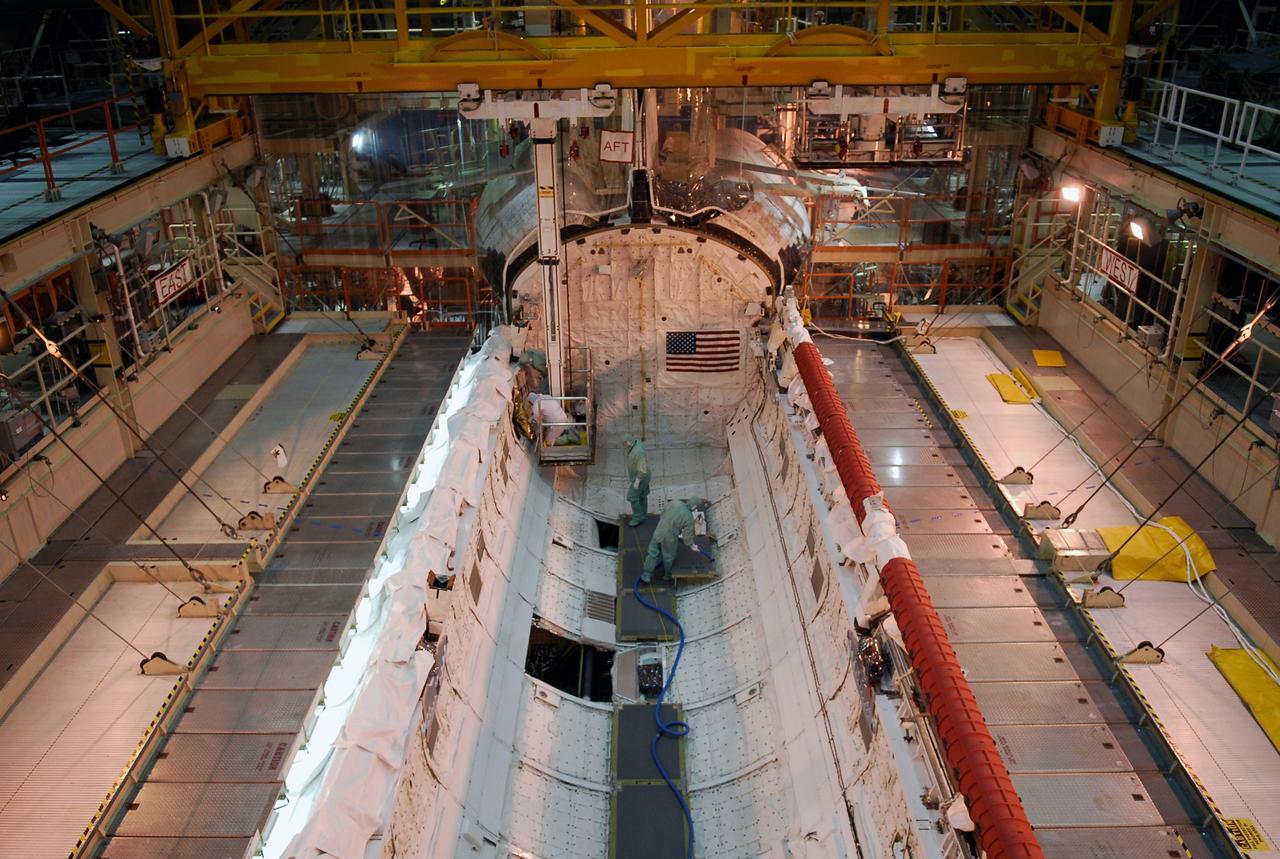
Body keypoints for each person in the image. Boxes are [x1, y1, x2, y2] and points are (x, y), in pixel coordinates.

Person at [641, 496, 706, 584]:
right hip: (670, 538)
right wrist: (692, 545)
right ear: (694, 507)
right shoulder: (689, 518)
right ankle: (667, 575)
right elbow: (687, 536)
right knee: (668, 557)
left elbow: (663, 512)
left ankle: (646, 574)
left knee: (652, 553)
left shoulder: (675, 502)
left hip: (659, 530)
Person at [624, 435, 650, 526]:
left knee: (633, 496)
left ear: (629, 441)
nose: (624, 445)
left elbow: (642, 470)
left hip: (641, 477)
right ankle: (643, 514)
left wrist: (637, 481)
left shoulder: (638, 452)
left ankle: (638, 517)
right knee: (642, 495)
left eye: (625, 443)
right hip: (644, 475)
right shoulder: (636, 444)